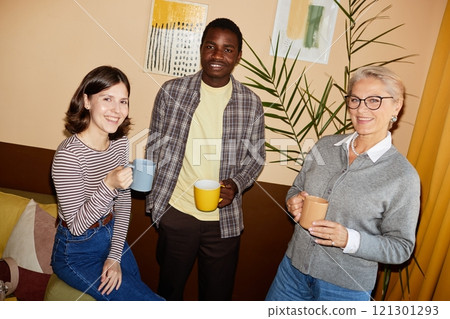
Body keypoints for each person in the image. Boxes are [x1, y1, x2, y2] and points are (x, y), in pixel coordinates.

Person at [265, 66, 421, 301]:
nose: (361, 109)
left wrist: (350, 240)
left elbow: (401, 248)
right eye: (355, 100)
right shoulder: (325, 146)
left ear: (396, 106)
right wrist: (293, 201)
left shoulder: (403, 176)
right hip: (292, 273)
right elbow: (296, 189)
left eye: (374, 101)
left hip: (345, 290)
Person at [145, 18, 265, 300]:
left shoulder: (251, 103)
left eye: (227, 49)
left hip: (224, 222)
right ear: (201, 49)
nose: (217, 55)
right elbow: (153, 146)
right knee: (168, 293)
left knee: (216, 298)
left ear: (237, 56)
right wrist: (156, 205)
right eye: (211, 46)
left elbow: (256, 158)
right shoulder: (171, 92)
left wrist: (235, 183)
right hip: (176, 213)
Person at [51, 65, 163, 301]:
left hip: (111, 234)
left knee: (144, 294)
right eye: (107, 99)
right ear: (87, 101)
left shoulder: (120, 143)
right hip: (76, 251)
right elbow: (77, 225)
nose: (117, 109)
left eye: (123, 101)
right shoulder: (68, 156)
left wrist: (114, 255)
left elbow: (122, 204)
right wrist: (108, 185)